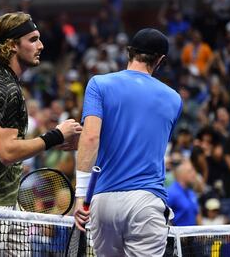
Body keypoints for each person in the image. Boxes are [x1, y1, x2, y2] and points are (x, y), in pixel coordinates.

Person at [0, 12, 82, 256]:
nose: (41, 45)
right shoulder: (6, 89)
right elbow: (7, 152)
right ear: (13, 45)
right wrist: (55, 136)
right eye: (33, 39)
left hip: (6, 201)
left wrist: (53, 143)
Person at [74, 28, 182, 257]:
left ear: (128, 52)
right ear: (160, 60)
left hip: (102, 202)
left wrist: (81, 196)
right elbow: (145, 140)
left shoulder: (98, 84)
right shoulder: (174, 99)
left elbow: (91, 137)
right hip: (145, 201)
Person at [167, 161, 201, 226]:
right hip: (178, 234)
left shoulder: (191, 192)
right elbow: (163, 215)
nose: (194, 174)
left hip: (192, 233)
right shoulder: (171, 193)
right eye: (190, 171)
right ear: (181, 175)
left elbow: (197, 214)